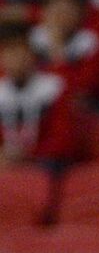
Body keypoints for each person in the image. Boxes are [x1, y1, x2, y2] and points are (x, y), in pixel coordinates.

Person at [0, 22, 81, 164]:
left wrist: (29, 156)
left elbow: (64, 140)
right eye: (10, 54)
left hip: (45, 162)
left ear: (33, 57)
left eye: (22, 54)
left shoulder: (55, 87)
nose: (16, 60)